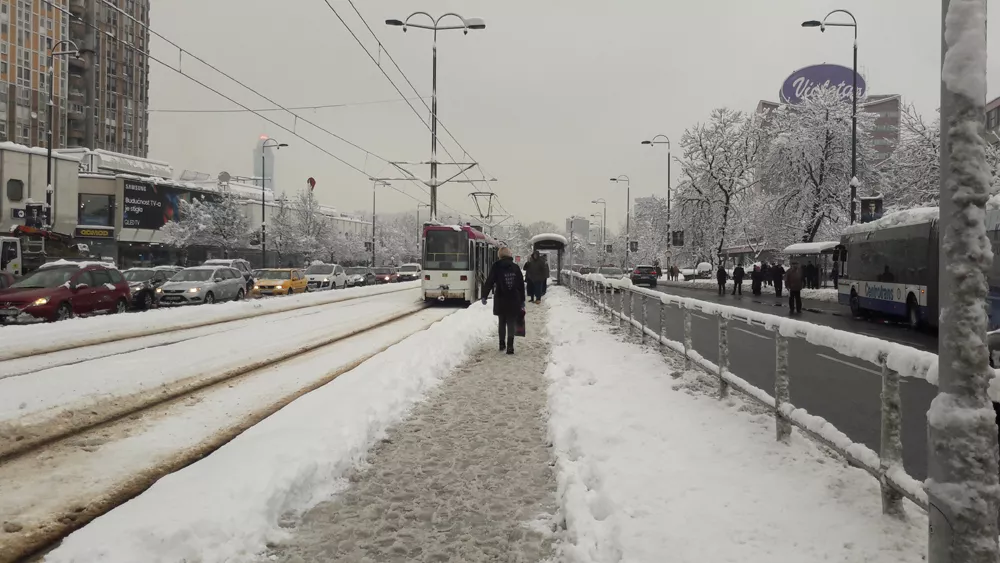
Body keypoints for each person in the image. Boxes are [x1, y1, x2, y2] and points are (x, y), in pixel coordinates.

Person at [482, 247, 526, 354]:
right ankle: (510, 347)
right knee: (511, 322)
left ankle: (502, 344)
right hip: (514, 299)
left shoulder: (496, 266)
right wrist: (522, 300)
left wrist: (484, 295)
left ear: (500, 255)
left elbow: (489, 281)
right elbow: (521, 285)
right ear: (509, 255)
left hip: (500, 298)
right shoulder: (515, 267)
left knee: (501, 322)